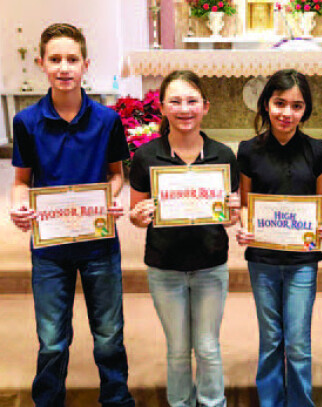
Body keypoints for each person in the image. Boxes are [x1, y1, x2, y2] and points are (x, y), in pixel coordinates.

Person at [9, 23, 134, 407]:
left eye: (72, 59)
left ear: (85, 64)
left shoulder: (107, 121)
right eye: (56, 59)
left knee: (110, 334)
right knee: (51, 339)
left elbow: (116, 176)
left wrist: (113, 198)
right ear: (42, 64)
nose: (65, 67)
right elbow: (21, 181)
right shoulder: (27, 122)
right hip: (49, 248)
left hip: (99, 244)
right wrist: (18, 204)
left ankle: (116, 400)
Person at [129, 70, 240, 407]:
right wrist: (137, 217)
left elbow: (229, 217)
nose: (184, 109)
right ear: (162, 107)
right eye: (175, 101)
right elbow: (137, 213)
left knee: (207, 346)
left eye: (192, 101)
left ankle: (212, 403)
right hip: (165, 266)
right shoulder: (146, 157)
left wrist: (234, 213)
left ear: (205, 106)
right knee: (177, 350)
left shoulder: (223, 156)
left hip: (210, 265)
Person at [236, 69, 322, 407]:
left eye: (296, 106)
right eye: (279, 103)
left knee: (298, 344)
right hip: (262, 260)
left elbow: (321, 207)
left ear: (305, 110)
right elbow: (246, 204)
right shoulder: (248, 150)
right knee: (271, 339)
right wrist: (244, 226)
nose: (286, 113)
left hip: (302, 262)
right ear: (265, 104)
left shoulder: (319, 151)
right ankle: (271, 402)